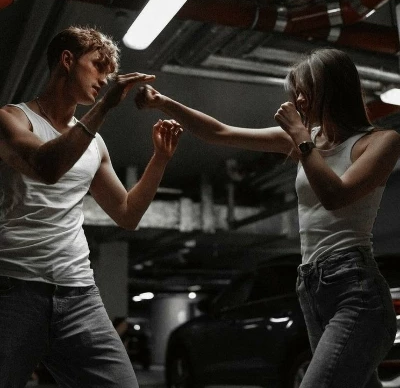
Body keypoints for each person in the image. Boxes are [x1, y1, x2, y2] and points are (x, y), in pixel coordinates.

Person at [135, 48, 400, 388]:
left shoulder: (380, 142)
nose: (299, 100)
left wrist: (301, 138)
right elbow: (220, 133)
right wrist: (163, 102)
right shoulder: (309, 140)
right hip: (312, 288)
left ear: (332, 88)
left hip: (356, 290)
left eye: (306, 90)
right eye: (296, 92)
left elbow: (335, 196)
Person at [0, 25, 183, 388]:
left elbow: (127, 214)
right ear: (67, 60)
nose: (103, 80)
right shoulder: (12, 118)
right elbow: (47, 167)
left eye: (108, 74)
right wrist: (103, 107)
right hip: (14, 289)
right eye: (98, 66)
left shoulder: (94, 144)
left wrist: (160, 159)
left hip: (79, 293)